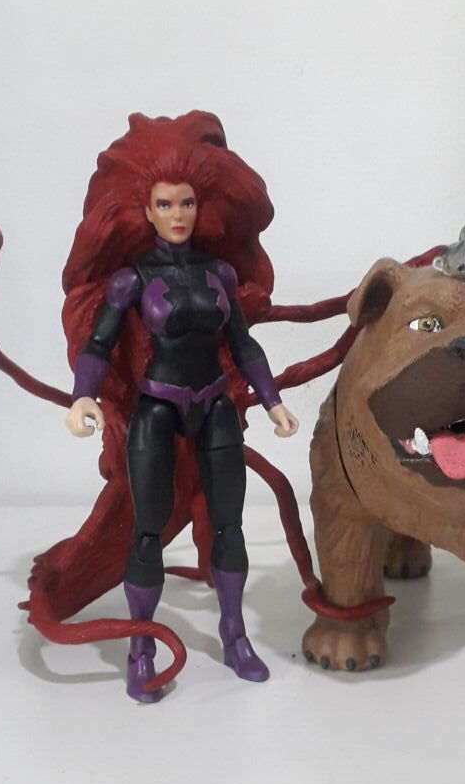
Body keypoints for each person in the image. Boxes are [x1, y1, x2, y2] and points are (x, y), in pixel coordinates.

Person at [63, 112, 298, 701]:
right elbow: (99, 344)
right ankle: (140, 647)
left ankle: (234, 634)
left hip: (214, 405)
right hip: (157, 408)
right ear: (146, 211)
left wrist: (271, 400)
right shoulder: (132, 280)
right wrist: (83, 394)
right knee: (145, 530)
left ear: (200, 207)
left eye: (186, 203)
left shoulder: (219, 274)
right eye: (165, 204)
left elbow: (242, 343)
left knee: (229, 524)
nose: (177, 215)